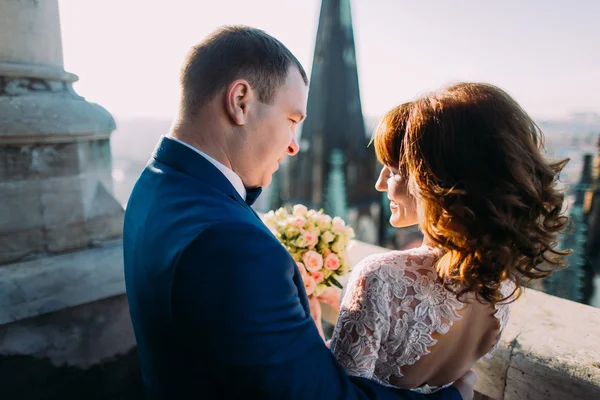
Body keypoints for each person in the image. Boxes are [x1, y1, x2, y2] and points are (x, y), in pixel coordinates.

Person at [123, 26, 474, 399]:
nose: (294, 146)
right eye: (291, 121)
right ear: (240, 101)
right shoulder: (232, 244)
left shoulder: (153, 186)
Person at [328, 83, 570, 393]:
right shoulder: (501, 282)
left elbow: (339, 393)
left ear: (434, 181)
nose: (379, 184)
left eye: (392, 170)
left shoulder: (379, 276)